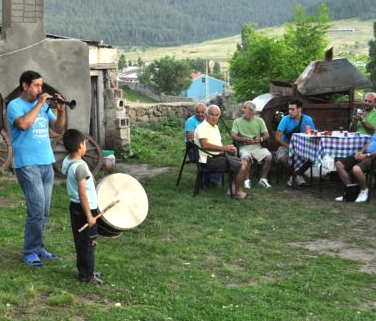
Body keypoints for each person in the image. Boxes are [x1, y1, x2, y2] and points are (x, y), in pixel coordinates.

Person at [6, 70, 66, 266]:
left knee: (45, 210)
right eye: (37, 86)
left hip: (46, 162)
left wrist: (61, 110)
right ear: (25, 85)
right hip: (27, 163)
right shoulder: (15, 105)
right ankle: (30, 251)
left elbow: (57, 129)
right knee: (36, 209)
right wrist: (40, 104)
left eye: (41, 85)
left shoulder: (44, 108)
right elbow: (23, 124)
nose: (41, 89)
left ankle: (39, 247)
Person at [61, 129, 104, 285]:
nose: (86, 146)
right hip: (85, 208)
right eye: (85, 143)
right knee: (89, 242)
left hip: (75, 207)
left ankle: (86, 270)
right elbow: (82, 193)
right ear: (80, 145)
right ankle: (87, 276)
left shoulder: (68, 161)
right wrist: (89, 216)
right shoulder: (81, 167)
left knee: (81, 241)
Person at [194, 104, 248, 199]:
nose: (214, 117)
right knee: (242, 166)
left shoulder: (214, 126)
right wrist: (224, 148)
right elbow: (205, 145)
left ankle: (232, 188)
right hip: (209, 160)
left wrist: (229, 148)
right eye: (212, 114)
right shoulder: (203, 127)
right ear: (206, 115)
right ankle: (238, 192)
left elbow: (217, 145)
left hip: (217, 156)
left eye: (216, 115)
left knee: (244, 162)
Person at [231, 101, 272, 189]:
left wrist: (260, 139)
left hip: (257, 146)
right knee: (246, 158)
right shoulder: (237, 121)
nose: (242, 110)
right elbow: (233, 135)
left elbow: (266, 135)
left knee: (269, 157)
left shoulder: (259, 121)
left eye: (245, 108)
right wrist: (244, 139)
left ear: (251, 111)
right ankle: (246, 180)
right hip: (243, 147)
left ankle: (263, 179)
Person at [275, 99, 315, 186]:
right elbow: (277, 138)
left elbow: (313, 135)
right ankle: (298, 176)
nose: (290, 111)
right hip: (286, 145)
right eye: (289, 109)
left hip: (302, 146)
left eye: (292, 109)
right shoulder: (285, 119)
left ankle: (295, 176)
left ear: (299, 109)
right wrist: (289, 146)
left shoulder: (308, 119)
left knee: (313, 157)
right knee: (282, 159)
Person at [335, 130, 376, 202]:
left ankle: (364, 191)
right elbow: (370, 141)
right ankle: (350, 191)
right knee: (339, 164)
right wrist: (361, 152)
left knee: (356, 169)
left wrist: (367, 155)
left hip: (373, 157)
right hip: (366, 154)